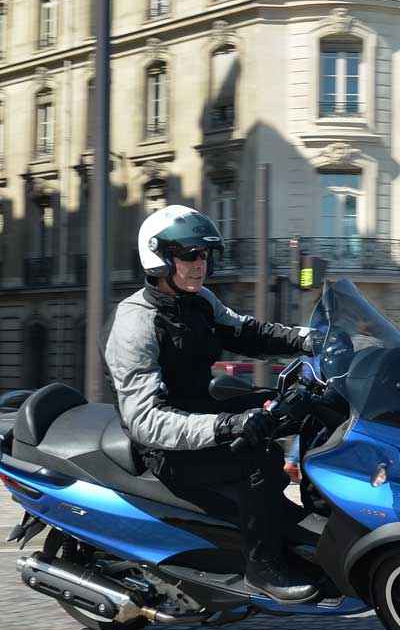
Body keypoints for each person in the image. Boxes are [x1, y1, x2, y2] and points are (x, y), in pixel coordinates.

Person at [103, 205, 319, 603]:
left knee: (300, 404)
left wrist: (309, 339)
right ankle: (262, 568)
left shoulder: (199, 300)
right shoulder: (136, 322)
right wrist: (227, 426)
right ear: (158, 258)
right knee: (257, 458)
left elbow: (248, 332)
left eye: (204, 254)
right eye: (189, 255)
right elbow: (146, 420)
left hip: (199, 414)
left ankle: (310, 522)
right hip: (166, 447)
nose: (200, 264)